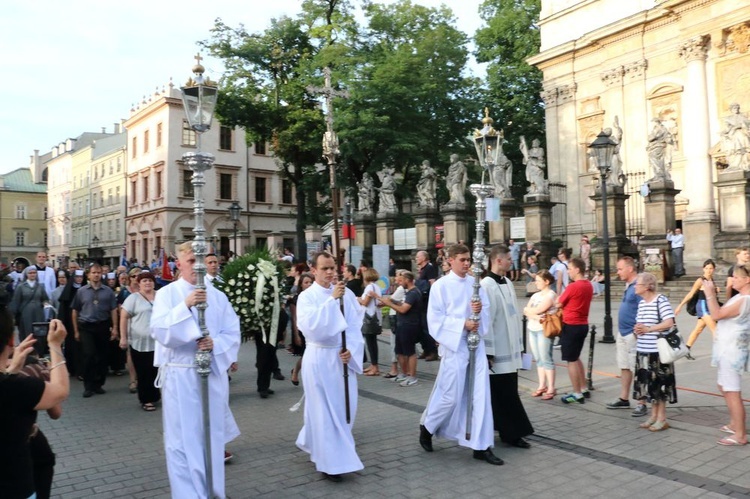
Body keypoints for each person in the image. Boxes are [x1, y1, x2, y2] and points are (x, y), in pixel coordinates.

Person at [150, 241, 240, 498]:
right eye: (191, 261)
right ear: (179, 264)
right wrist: (186, 305)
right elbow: (160, 331)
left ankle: (213, 489)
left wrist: (216, 343)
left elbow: (232, 331)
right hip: (180, 375)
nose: (197, 266)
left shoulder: (218, 295)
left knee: (211, 436)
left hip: (211, 374)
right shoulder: (168, 294)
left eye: (201, 260)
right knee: (182, 440)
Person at [418, 244, 502, 465]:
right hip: (455, 345)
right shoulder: (441, 286)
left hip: (476, 345)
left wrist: (478, 311)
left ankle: (480, 445)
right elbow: (434, 320)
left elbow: (486, 310)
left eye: (468, 260)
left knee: (480, 395)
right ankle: (427, 427)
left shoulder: (476, 285)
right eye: (462, 260)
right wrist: (462, 324)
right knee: (450, 394)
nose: (467, 264)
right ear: (451, 260)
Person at [295, 251, 365, 482]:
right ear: (313, 270)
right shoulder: (307, 297)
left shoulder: (348, 294)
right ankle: (330, 463)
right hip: (319, 358)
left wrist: (351, 350)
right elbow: (311, 327)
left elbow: (354, 327)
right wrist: (331, 300)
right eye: (324, 268)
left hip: (340, 360)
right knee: (324, 412)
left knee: (345, 407)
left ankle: (335, 453)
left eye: (332, 267)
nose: (330, 272)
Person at [0, 317, 69, 499]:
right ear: (11, 340)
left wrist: (12, 371)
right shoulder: (19, 387)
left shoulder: (12, 385)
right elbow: (60, 391)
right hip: (14, 486)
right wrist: (55, 346)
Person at [481, 245, 534, 448]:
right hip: (498, 351)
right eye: (508, 258)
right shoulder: (486, 284)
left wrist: (520, 346)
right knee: (504, 394)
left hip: (511, 349)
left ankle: (508, 431)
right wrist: (488, 351)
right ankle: (512, 433)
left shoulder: (508, 282)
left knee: (509, 391)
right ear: (498, 260)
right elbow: (487, 321)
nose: (511, 261)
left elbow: (513, 315)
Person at [703, 264, 750, 445]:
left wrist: (709, 294)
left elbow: (716, 314)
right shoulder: (739, 297)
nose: (733, 279)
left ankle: (740, 435)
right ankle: (734, 424)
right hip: (727, 348)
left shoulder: (745, 299)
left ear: (747, 280)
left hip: (732, 351)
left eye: (737, 277)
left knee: (732, 390)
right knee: (724, 386)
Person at [632, 272, 676, 431]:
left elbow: (669, 322)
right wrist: (637, 329)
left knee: (660, 385)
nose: (635, 286)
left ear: (647, 286)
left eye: (638, 284)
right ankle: (653, 415)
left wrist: (648, 329)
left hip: (657, 352)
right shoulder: (642, 303)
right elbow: (640, 324)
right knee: (649, 385)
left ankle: (662, 418)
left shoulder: (660, 300)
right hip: (643, 350)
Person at [71, 264, 119, 398]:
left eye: (98, 272)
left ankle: (99, 383)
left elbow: (113, 310)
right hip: (86, 326)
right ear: (89, 275)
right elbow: (75, 311)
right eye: (94, 272)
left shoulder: (108, 291)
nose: (96, 275)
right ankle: (88, 385)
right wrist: (75, 330)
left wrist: (115, 328)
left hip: (102, 326)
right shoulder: (82, 291)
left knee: (102, 356)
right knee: (89, 355)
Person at [606, 257, 645, 414]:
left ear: (630, 269)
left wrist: (639, 331)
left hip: (633, 334)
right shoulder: (629, 285)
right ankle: (624, 398)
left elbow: (644, 307)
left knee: (638, 368)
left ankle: (641, 402)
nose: (618, 272)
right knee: (624, 366)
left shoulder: (639, 286)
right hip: (623, 332)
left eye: (620, 269)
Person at [119, 271, 160, 411]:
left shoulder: (160, 296)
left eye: (149, 280)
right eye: (144, 281)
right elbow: (123, 317)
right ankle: (146, 399)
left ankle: (155, 396)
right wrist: (123, 337)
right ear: (139, 283)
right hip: (139, 342)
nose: (147, 283)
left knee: (156, 370)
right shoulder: (133, 298)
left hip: (159, 342)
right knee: (144, 372)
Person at [555, 257, 594, 404]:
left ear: (577, 270)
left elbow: (559, 303)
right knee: (576, 357)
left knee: (570, 360)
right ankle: (583, 387)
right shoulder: (588, 285)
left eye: (570, 269)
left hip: (571, 325)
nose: (569, 272)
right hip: (583, 324)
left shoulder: (573, 286)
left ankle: (577, 393)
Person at [376, 270, 421, 386]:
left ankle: (412, 376)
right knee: (400, 350)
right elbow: (402, 304)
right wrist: (389, 300)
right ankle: (404, 373)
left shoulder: (414, 293)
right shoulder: (407, 293)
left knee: (410, 352)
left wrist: (389, 303)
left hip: (410, 325)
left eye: (402, 280)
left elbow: (403, 309)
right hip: (401, 324)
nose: (400, 282)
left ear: (407, 280)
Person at [523, 270, 557, 400]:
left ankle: (551, 387)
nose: (536, 283)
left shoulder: (551, 295)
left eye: (538, 280)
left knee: (546, 358)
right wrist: (535, 316)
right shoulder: (535, 296)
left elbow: (538, 309)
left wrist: (532, 313)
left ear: (546, 281)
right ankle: (542, 385)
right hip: (533, 328)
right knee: (538, 358)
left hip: (544, 330)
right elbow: (526, 310)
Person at [674, 259, 718, 355]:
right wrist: (680, 305)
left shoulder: (712, 280)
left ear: (714, 269)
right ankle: (719, 352)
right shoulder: (700, 280)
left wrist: (715, 291)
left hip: (710, 306)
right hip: (703, 306)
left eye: (711, 268)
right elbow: (691, 293)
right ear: (703, 269)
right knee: (715, 330)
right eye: (706, 268)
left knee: (698, 329)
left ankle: (686, 349)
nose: (709, 270)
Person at [10, 266, 51, 355]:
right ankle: (27, 354)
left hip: (39, 314)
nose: (32, 275)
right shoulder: (21, 287)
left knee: (38, 333)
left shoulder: (40, 286)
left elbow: (45, 298)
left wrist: (45, 303)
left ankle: (39, 353)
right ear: (26, 274)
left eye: (34, 273)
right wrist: (12, 316)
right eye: (30, 273)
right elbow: (16, 301)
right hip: (26, 314)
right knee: (27, 333)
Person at [289, 272, 314, 386]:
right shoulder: (296, 299)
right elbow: (294, 318)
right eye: (306, 282)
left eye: (311, 282)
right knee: (305, 355)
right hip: (301, 330)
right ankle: (295, 372)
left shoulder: (315, 296)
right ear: (301, 285)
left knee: (310, 355)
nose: (309, 284)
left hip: (313, 329)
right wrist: (296, 335)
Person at [415, 250, 439, 362]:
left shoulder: (429, 268)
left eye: (418, 257)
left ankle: (432, 351)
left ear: (424, 258)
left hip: (427, 301)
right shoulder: (421, 269)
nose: (416, 259)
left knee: (427, 327)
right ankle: (426, 349)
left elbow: (432, 283)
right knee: (421, 327)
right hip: (421, 302)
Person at [358, 267, 382, 376]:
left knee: (370, 342)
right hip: (375, 316)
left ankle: (375, 366)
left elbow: (365, 302)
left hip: (369, 318)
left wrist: (357, 299)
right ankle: (373, 364)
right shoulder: (377, 286)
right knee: (372, 342)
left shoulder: (369, 287)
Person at [720, 102, 750, 171]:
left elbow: (747, 126)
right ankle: (734, 165)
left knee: (742, 150)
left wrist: (739, 126)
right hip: (733, 136)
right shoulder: (728, 118)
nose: (736, 109)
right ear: (731, 110)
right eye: (734, 108)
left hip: (742, 135)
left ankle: (743, 165)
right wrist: (723, 133)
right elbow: (727, 129)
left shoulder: (743, 117)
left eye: (737, 108)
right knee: (735, 151)